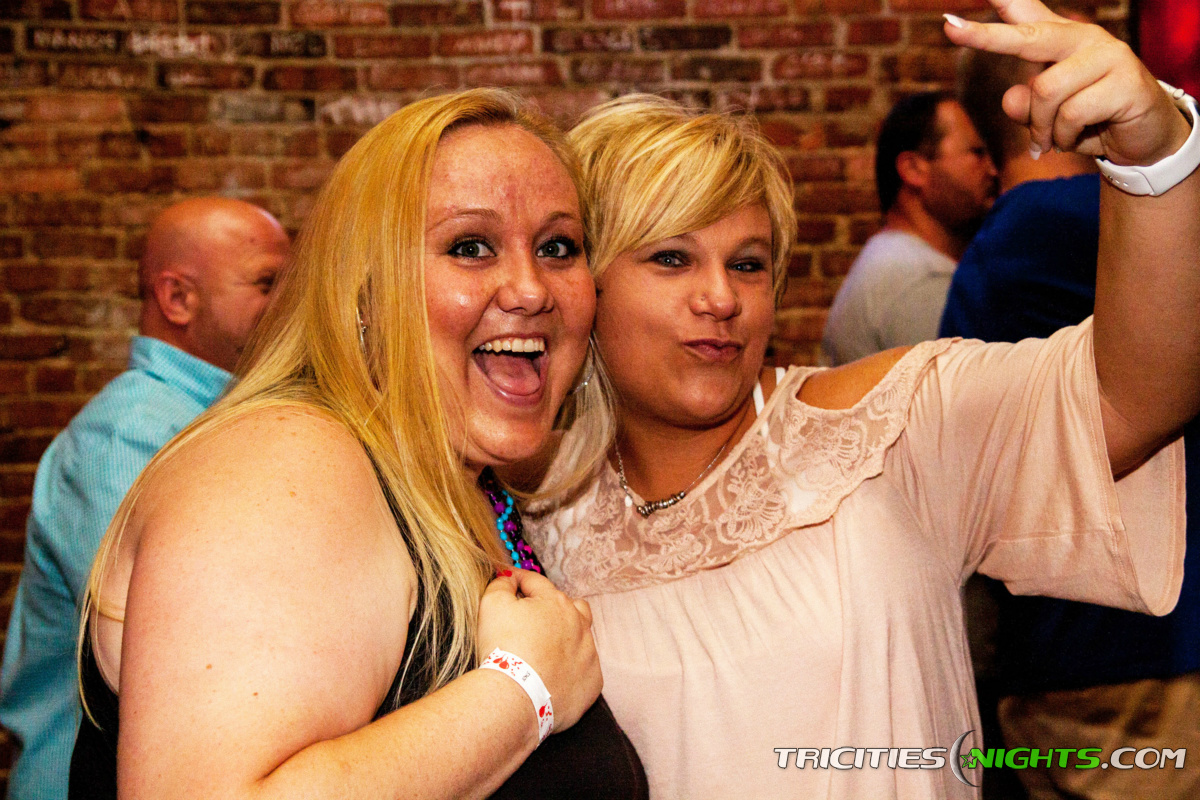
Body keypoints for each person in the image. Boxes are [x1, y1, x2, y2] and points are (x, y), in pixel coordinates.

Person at [524, 3, 1200, 797]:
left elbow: (1133, 395)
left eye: (747, 264)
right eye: (672, 258)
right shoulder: (534, 513)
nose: (721, 298)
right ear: (585, 284)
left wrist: (1156, 157)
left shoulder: (885, 431)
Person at [70, 90, 647, 799]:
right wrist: (524, 692)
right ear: (363, 294)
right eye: (470, 247)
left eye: (558, 248)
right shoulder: (286, 464)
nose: (531, 290)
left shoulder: (458, 482)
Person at [941, 46, 1200, 800]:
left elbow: (972, 468)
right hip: (1144, 644)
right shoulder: (1096, 223)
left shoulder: (1000, 250)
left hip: (1080, 648)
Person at [0, 197, 289, 800]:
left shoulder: (222, 422)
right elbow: (176, 654)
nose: (291, 303)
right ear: (177, 298)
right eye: (268, 283)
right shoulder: (128, 435)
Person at [821, 92, 998, 365]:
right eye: (977, 152)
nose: (993, 170)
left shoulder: (895, 260)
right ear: (914, 169)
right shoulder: (917, 280)